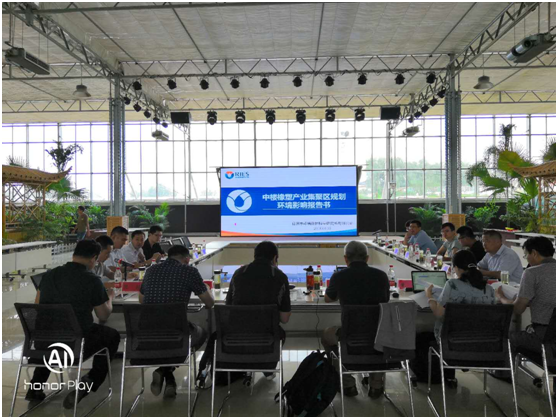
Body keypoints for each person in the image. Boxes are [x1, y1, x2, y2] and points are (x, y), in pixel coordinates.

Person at [26, 240, 119, 409]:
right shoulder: (92, 280)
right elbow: (103, 315)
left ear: (74, 254)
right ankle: (89, 381)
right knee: (111, 336)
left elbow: (38, 306)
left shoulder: (49, 275)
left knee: (54, 331)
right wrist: (110, 298)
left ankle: (35, 387)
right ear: (93, 258)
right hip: (76, 345)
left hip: (42, 343)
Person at [139, 245, 214, 398]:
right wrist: (206, 288)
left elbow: (141, 300)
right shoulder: (189, 271)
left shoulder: (151, 270)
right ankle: (166, 370)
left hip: (147, 332)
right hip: (176, 331)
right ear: (187, 259)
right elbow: (209, 302)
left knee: (171, 338)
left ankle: (167, 376)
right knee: (202, 333)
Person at [323, 241, 390, 398]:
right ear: (367, 258)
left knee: (326, 335)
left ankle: (347, 384)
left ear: (346, 259)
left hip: (349, 335)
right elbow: (386, 300)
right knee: (378, 338)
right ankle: (376, 384)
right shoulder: (381, 276)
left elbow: (328, 298)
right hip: (378, 334)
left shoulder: (339, 276)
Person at [425, 250, 495, 387]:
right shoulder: (489, 289)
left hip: (452, 341)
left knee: (423, 336)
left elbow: (439, 313)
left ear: (456, 268)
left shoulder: (452, 284)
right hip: (483, 342)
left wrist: (429, 296)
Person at [226, 241, 291, 379]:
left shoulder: (238, 273)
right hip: (267, 336)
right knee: (279, 332)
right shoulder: (279, 276)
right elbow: (285, 319)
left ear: (254, 256)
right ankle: (267, 367)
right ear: (275, 258)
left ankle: (242, 364)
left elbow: (228, 308)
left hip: (236, 336)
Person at [496, 237, 556, 356]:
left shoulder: (532, 272)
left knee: (507, 337)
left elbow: (518, 309)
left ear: (534, 253)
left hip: (544, 338)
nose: (527, 259)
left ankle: (507, 369)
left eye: (526, 255)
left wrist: (501, 297)